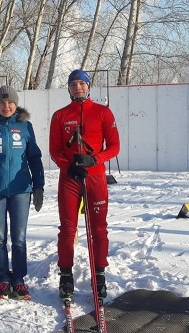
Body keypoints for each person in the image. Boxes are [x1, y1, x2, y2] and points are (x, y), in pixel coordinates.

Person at [49, 69, 120, 300]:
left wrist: (95, 159)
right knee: (67, 229)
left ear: (88, 86)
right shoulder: (60, 115)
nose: (78, 87)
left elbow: (114, 146)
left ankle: (99, 274)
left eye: (82, 83)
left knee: (99, 228)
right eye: (73, 84)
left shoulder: (103, 112)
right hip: (70, 178)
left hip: (95, 177)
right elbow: (55, 150)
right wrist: (67, 166)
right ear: (68, 88)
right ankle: (66, 275)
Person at [0, 86, 44, 301]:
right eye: (2, 103)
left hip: (21, 190)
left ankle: (19, 279)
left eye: (10, 102)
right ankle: (3, 277)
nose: (6, 106)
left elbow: (34, 158)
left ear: (16, 103)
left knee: (19, 238)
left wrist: (38, 186)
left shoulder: (25, 126)